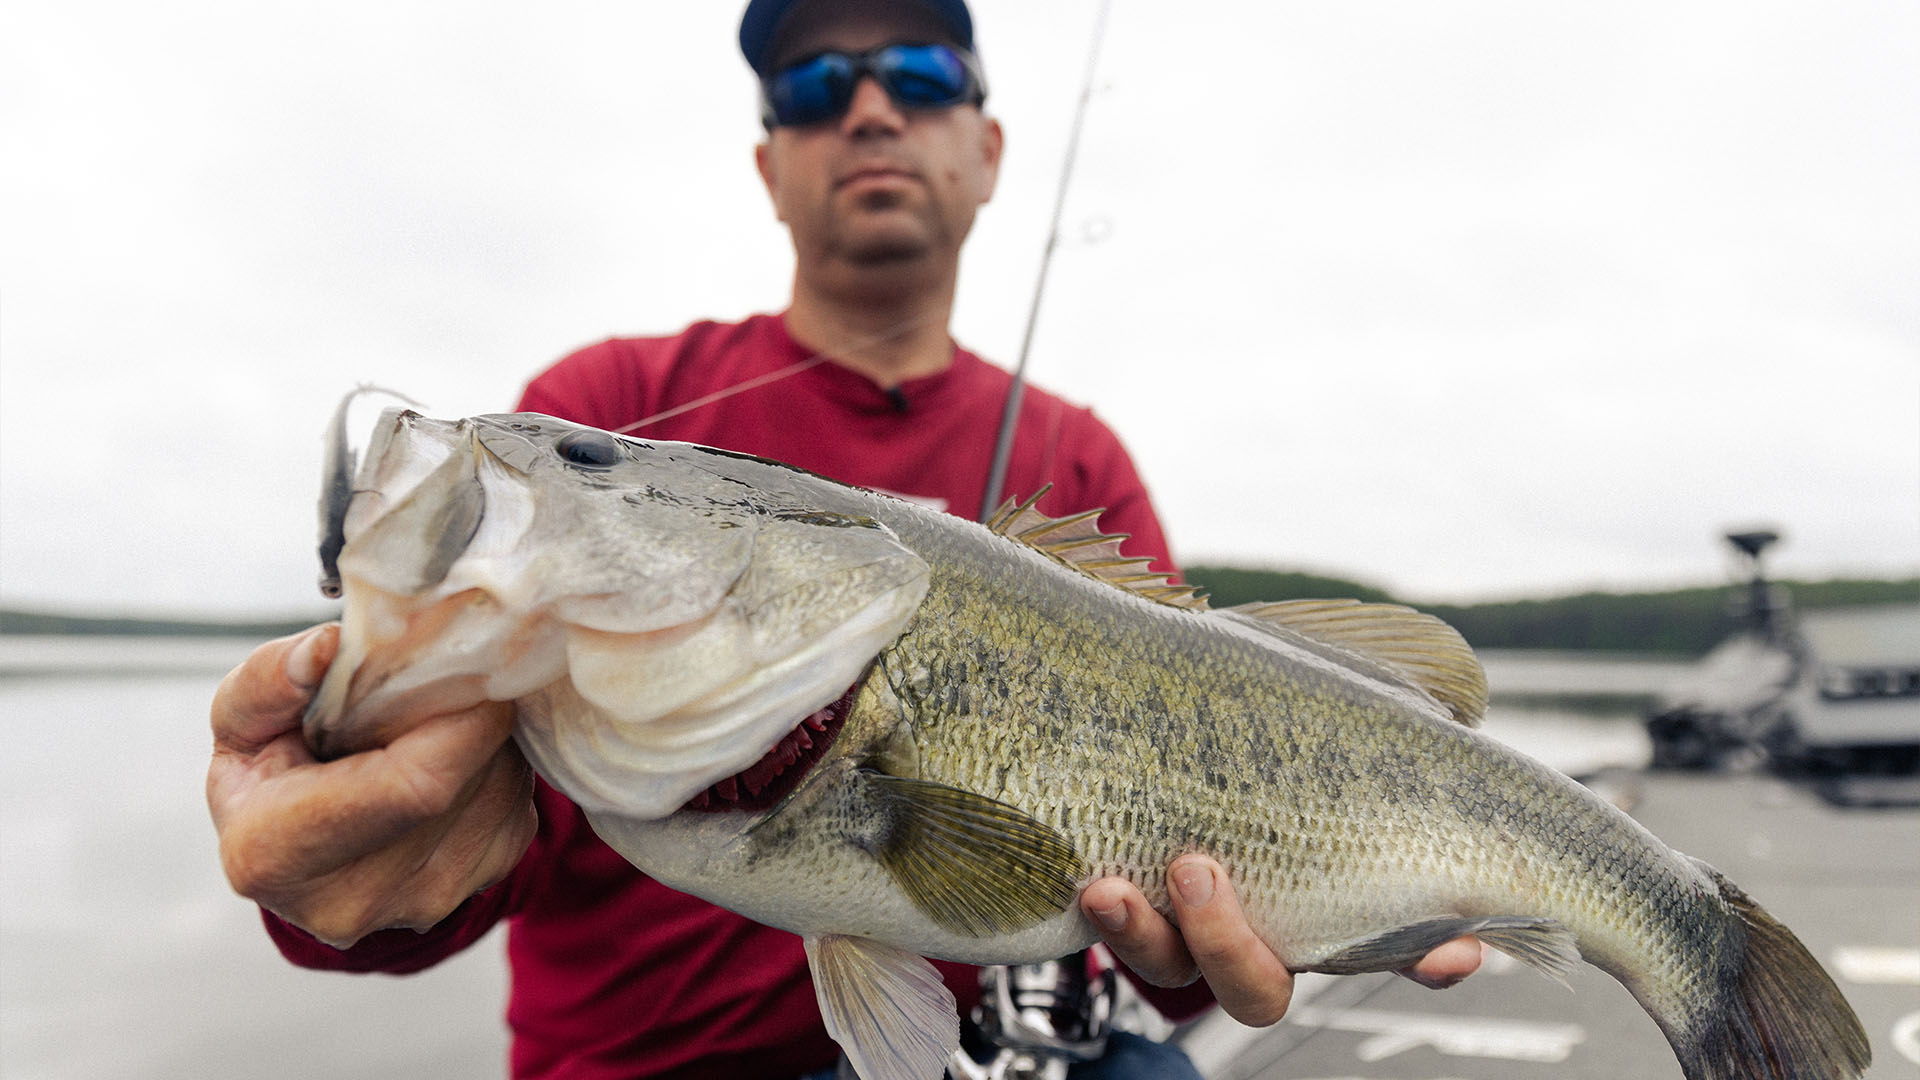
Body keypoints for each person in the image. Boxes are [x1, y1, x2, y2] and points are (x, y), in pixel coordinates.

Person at [206, 1, 1482, 1077]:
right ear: (770, 167)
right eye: (813, 86)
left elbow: (1196, 953)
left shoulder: (1076, 456)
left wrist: (1237, 940)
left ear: (985, 153)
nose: (868, 108)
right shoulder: (593, 410)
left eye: (919, 76)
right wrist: (342, 868)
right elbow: (421, 888)